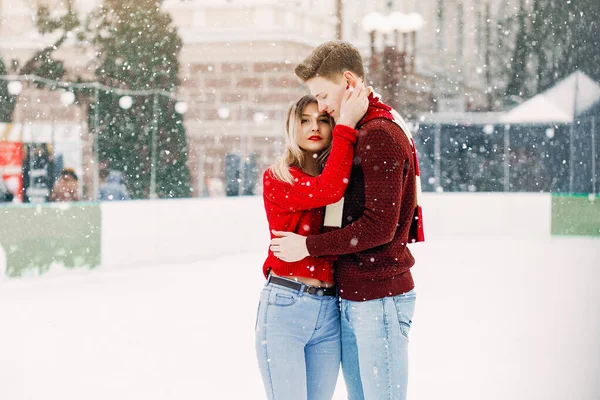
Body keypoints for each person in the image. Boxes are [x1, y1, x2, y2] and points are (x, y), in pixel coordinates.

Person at [269, 41, 425, 400]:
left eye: (324, 95)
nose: (321, 107)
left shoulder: (378, 134)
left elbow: (378, 227)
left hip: (378, 297)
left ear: (349, 82)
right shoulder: (361, 130)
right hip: (357, 295)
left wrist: (307, 246)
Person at [256, 84, 368, 400]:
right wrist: (347, 124)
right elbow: (328, 189)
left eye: (322, 119)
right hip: (285, 306)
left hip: (329, 309)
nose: (314, 127)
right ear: (293, 127)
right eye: (305, 120)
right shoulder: (278, 177)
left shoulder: (339, 176)